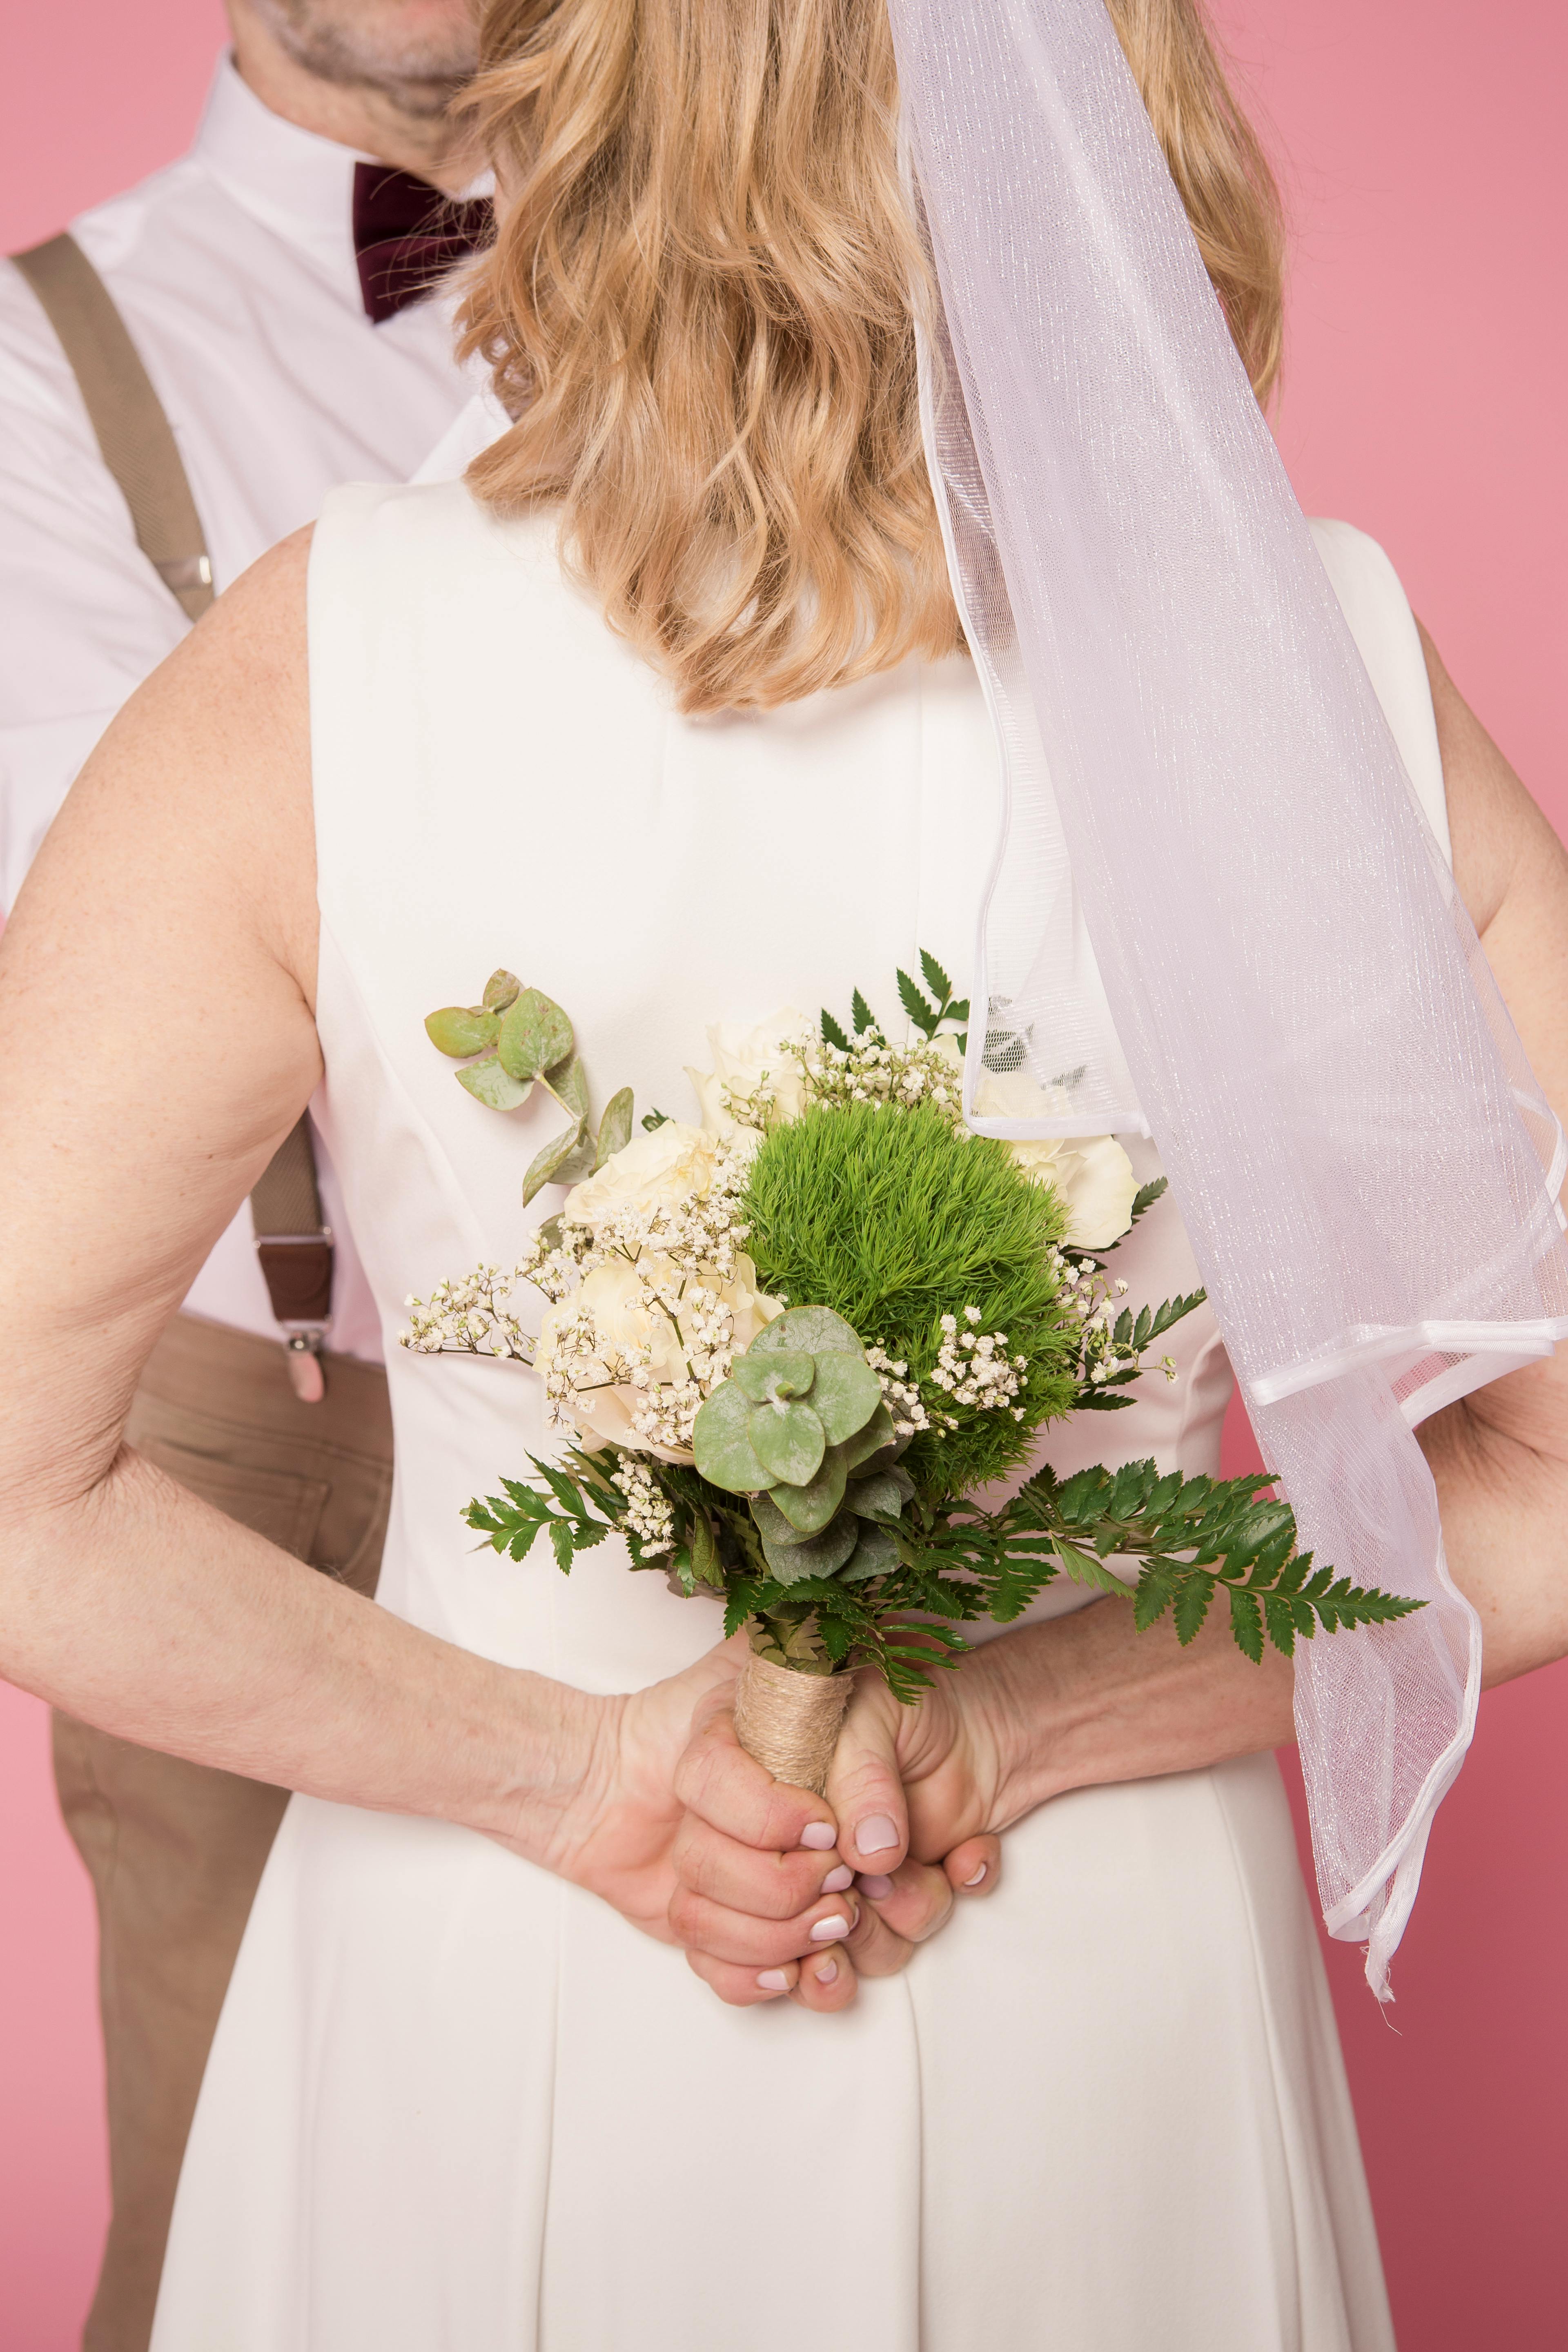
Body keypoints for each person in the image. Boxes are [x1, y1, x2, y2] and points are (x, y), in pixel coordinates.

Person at [1, 2, 1564, 2348]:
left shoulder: (319, 658)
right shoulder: (1311, 654)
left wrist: (576, 1780)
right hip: (1103, 1963)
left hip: (508, 1964)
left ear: (595, 98)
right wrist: (1021, 1721)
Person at [0, 5, 487, 2345]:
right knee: (249, 2229)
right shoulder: (29, 370)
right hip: (252, 1440)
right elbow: (154, 952)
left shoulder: (769, 309)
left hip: (725, 1409)